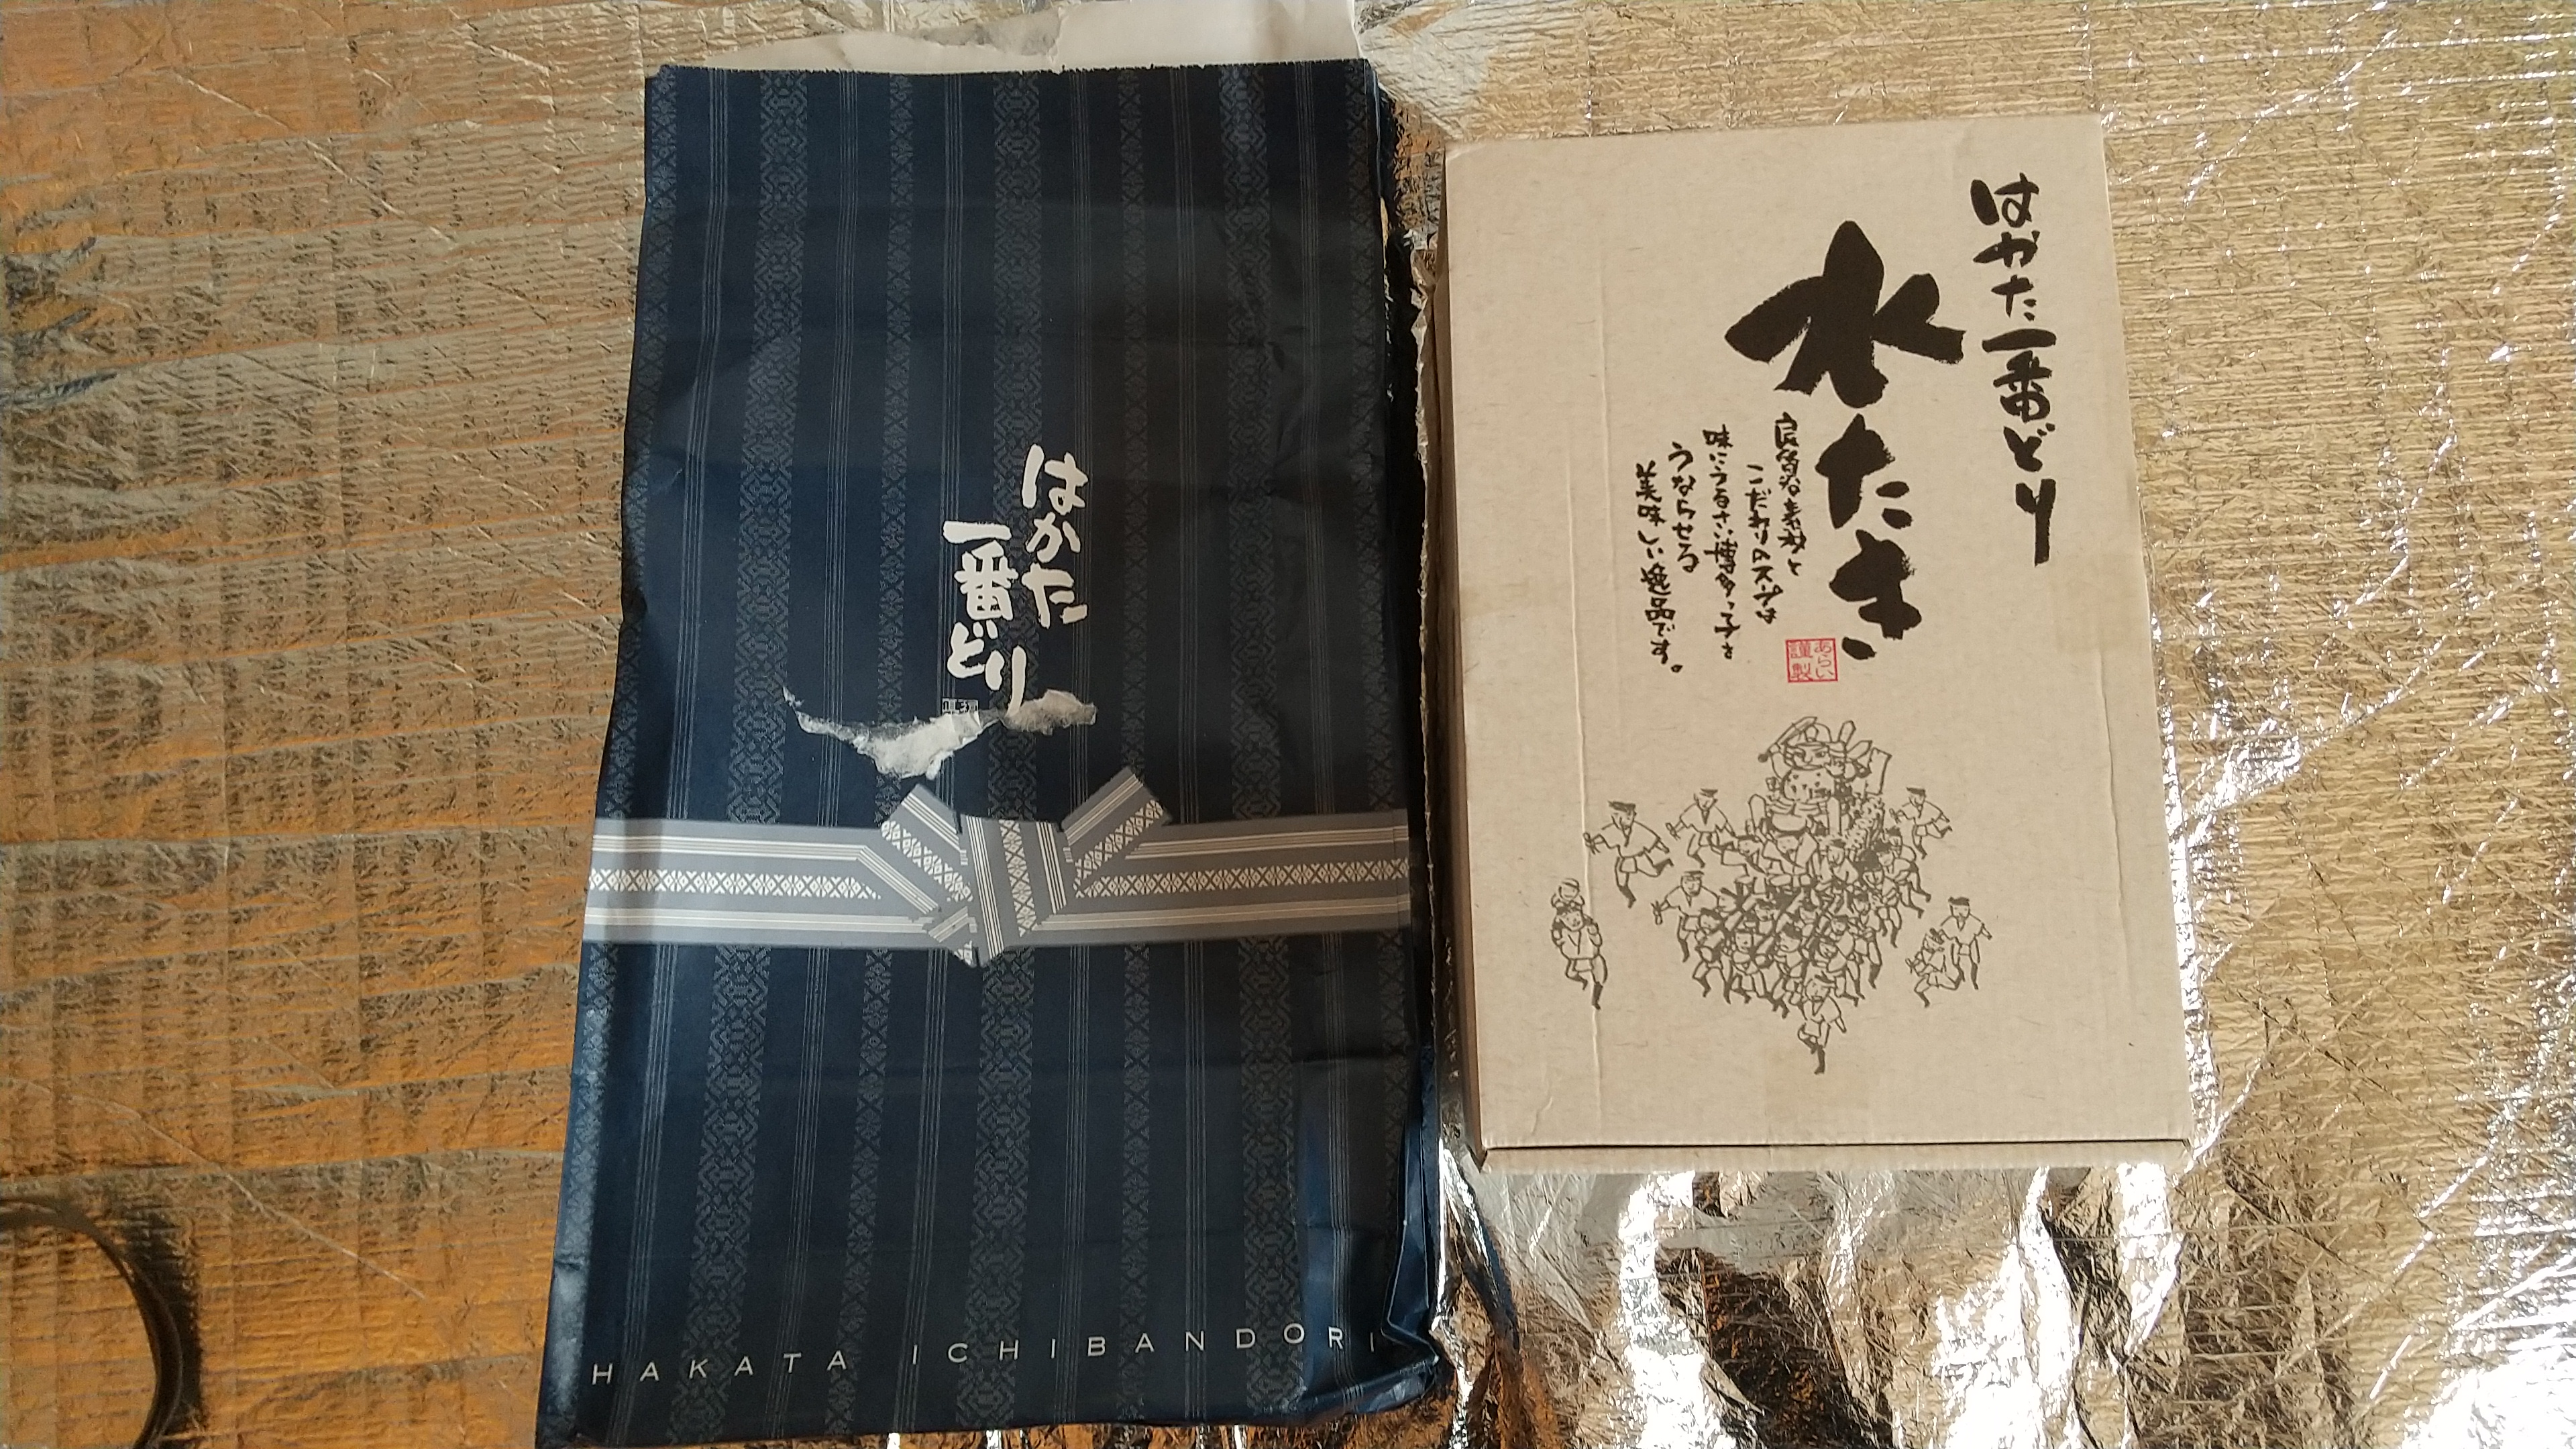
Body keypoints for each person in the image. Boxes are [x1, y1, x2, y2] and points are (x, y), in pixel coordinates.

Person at [1583, 801, 1672, 906]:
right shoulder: (1613, 830)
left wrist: (1663, 848)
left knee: (1654, 873)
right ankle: (1631, 898)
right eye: (1615, 817)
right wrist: (1592, 842)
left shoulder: (1639, 829)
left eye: (1627, 817)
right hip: (1624, 860)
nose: (1619, 820)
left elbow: (1653, 840)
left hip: (1639, 858)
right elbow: (1603, 838)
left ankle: (1666, 862)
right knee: (1621, 884)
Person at [1907, 896, 1990, 1005]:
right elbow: (1942, 932)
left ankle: (1974, 982)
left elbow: (1981, 929)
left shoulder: (1973, 922)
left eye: (1965, 910)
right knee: (1955, 968)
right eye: (1956, 910)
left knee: (1974, 962)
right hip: (1955, 947)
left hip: (1970, 945)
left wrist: (1988, 936)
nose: (1961, 914)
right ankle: (1954, 976)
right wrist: (1938, 937)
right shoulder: (1950, 923)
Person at [1550, 880, 1609, 1009]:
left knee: (1600, 977)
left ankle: (1595, 1000)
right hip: (1576, 959)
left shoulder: (1588, 926)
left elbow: (1597, 941)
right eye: (1568, 919)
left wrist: (1594, 934)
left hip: (1592, 958)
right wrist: (1559, 939)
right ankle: (1584, 982)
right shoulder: (1563, 929)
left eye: (1577, 916)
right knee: (1570, 973)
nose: (1574, 921)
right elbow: (1558, 938)